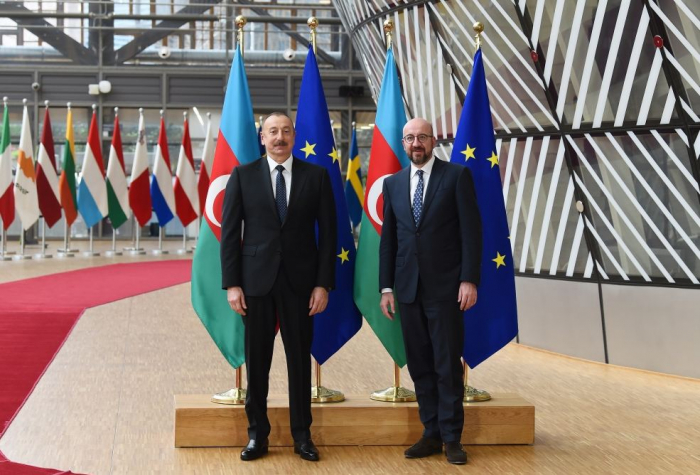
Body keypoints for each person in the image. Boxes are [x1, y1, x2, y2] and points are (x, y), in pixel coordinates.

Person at [220, 112, 336, 462]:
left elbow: (330, 236)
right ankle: (257, 436)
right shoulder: (242, 176)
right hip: (255, 284)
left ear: (294, 136)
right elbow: (229, 235)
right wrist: (232, 284)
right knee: (257, 364)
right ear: (262, 137)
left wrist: (323, 284)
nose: (280, 137)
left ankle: (303, 436)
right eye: (273, 132)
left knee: (299, 362)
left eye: (286, 131)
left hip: (302, 286)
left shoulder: (316, 177)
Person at [379, 117, 482, 465]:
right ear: (403, 144)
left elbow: (471, 232)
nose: (416, 144)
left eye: (421, 137)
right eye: (409, 138)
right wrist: (386, 287)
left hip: (447, 289)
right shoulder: (392, 184)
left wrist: (469, 279)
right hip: (407, 290)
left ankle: (453, 438)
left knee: (446, 364)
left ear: (433, 140)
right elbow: (388, 241)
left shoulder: (456, 177)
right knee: (420, 365)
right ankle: (431, 432)